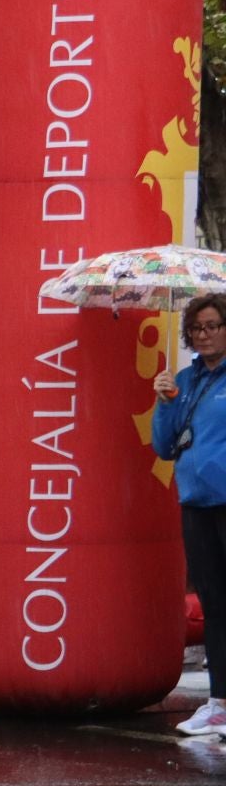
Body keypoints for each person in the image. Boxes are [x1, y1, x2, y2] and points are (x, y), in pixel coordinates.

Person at [158, 294, 226, 736]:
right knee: (215, 604)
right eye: (197, 328)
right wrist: (166, 402)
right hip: (197, 504)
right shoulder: (184, 380)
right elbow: (164, 446)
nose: (204, 335)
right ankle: (219, 703)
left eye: (213, 326)